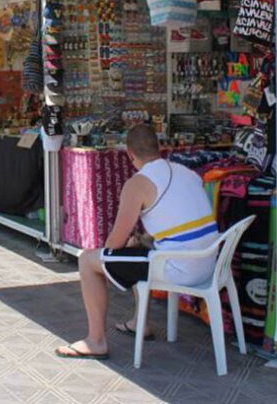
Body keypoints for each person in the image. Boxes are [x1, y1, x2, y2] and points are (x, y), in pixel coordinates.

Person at [56, 124, 217, 360]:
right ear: (159, 147)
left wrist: (122, 246)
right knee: (137, 250)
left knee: (87, 260)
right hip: (209, 264)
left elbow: (113, 245)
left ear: (129, 154)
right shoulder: (187, 172)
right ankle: (139, 323)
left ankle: (96, 340)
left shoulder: (137, 184)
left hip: (180, 269)